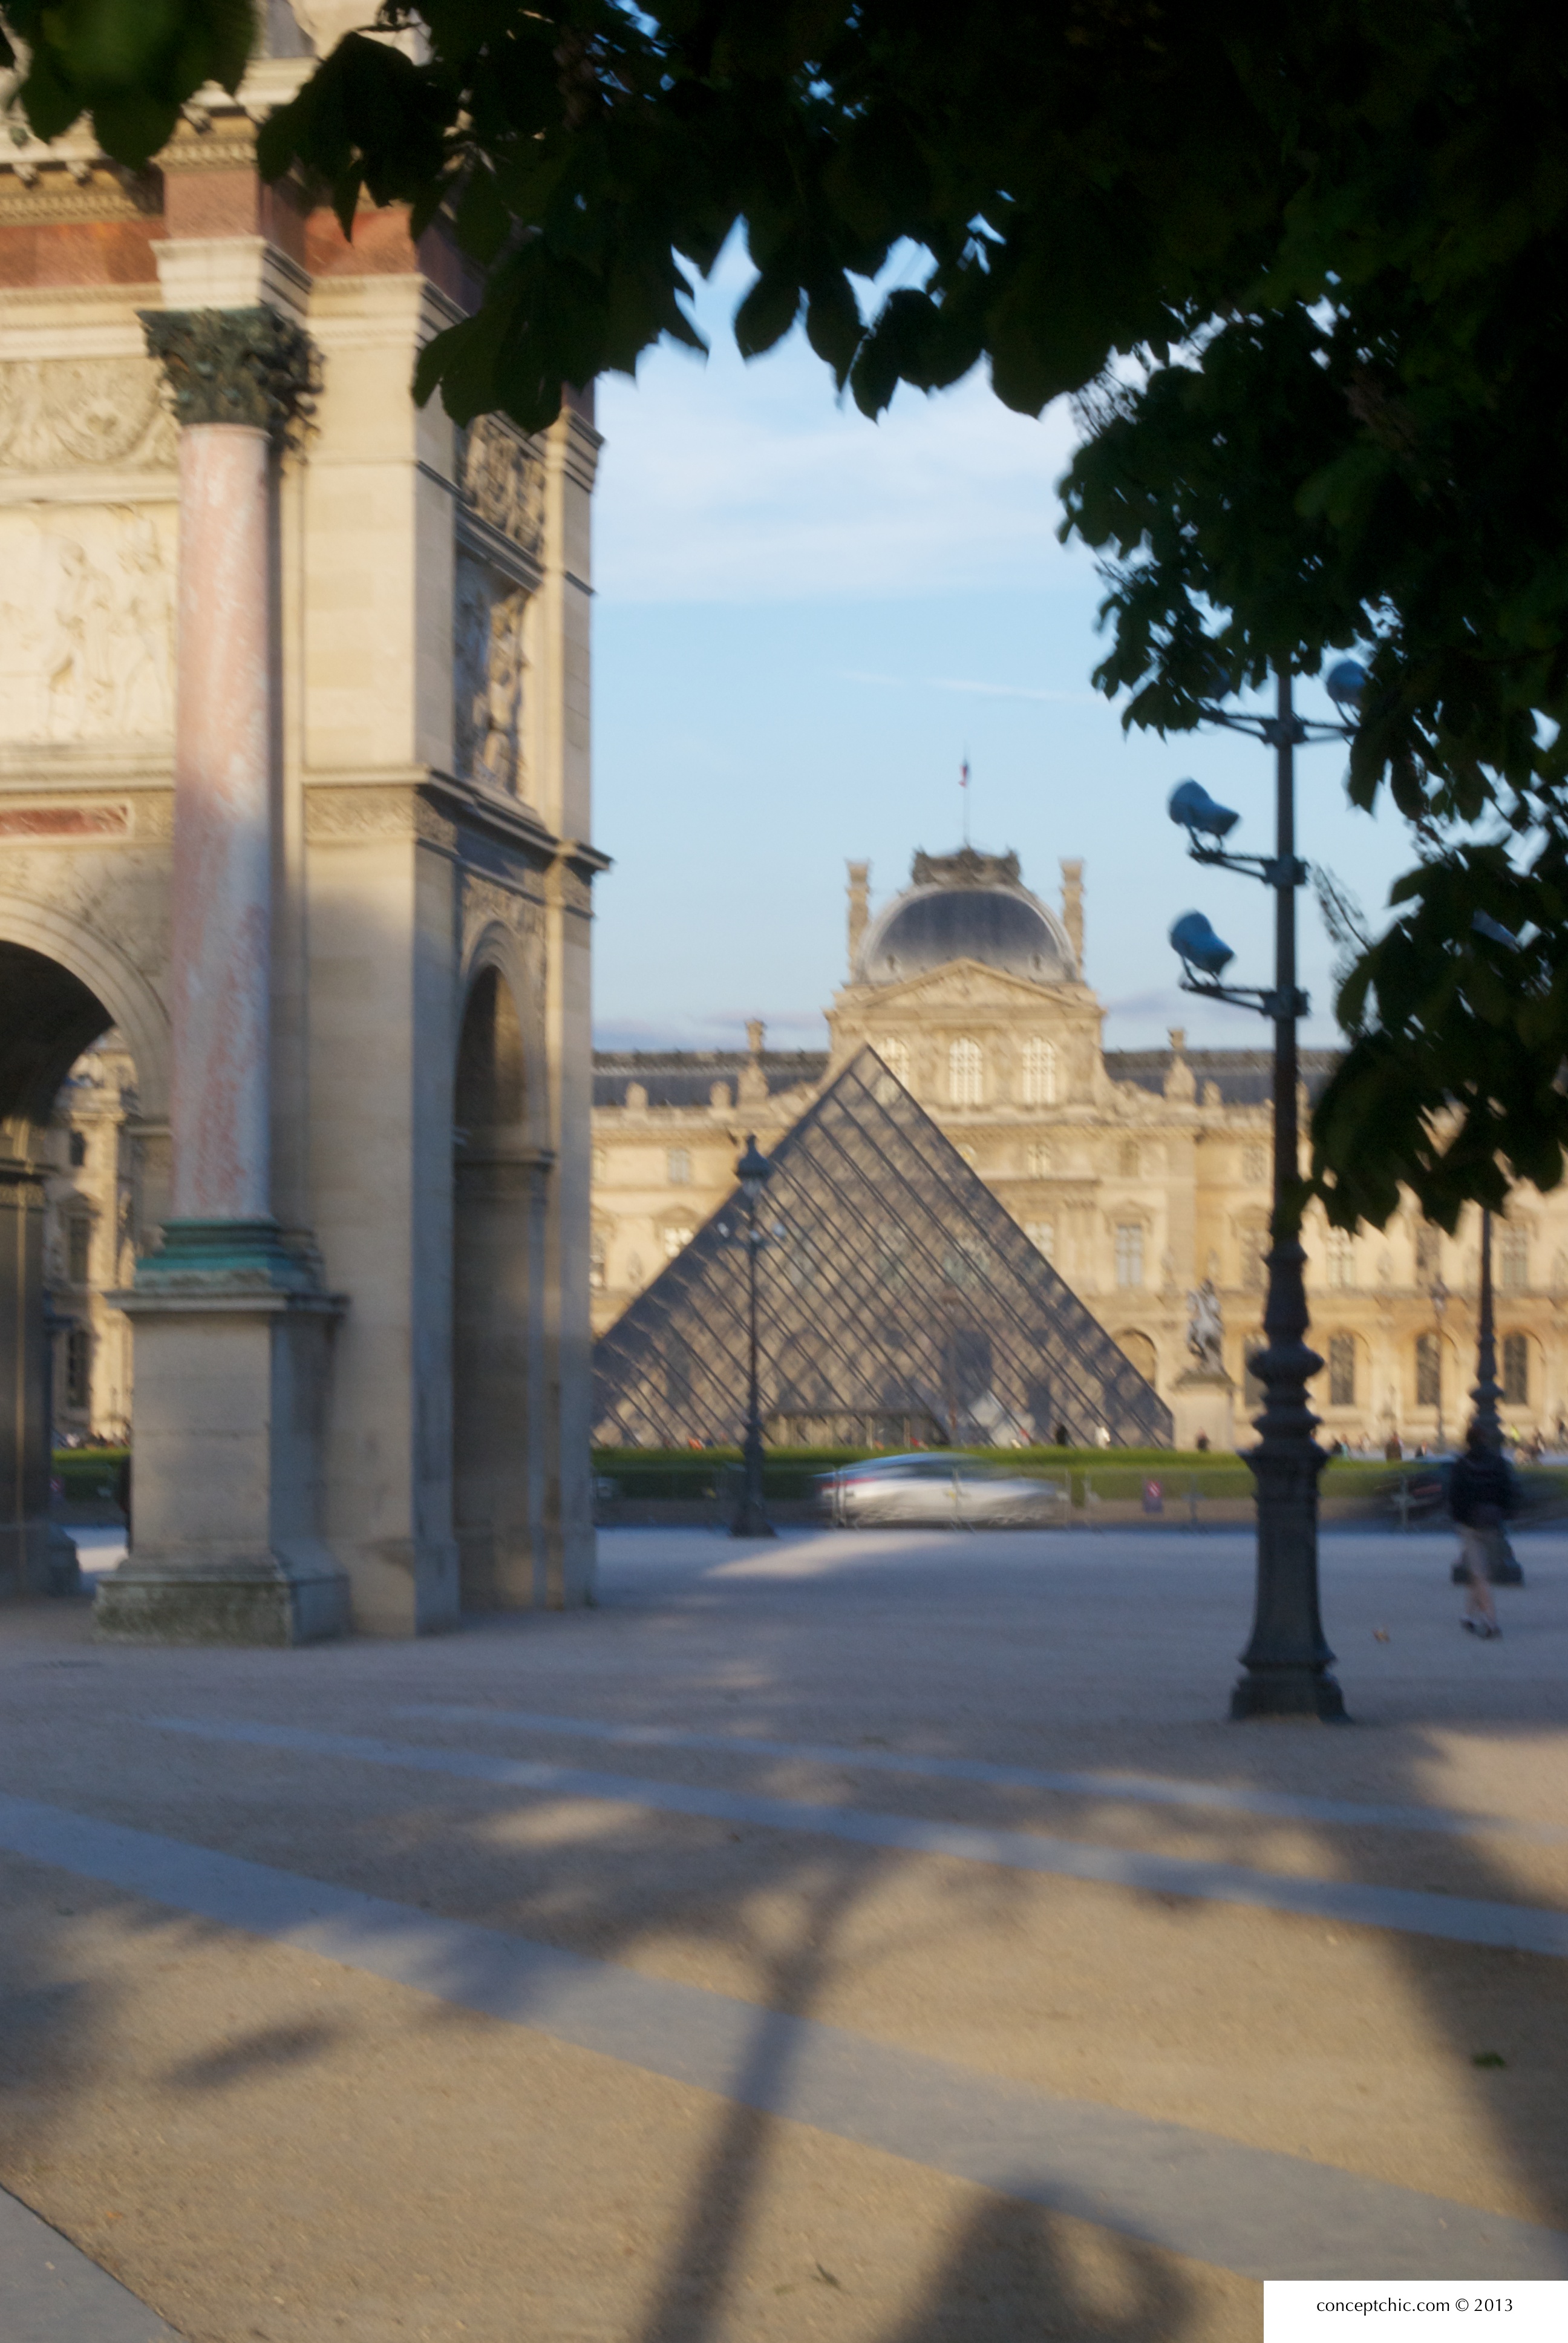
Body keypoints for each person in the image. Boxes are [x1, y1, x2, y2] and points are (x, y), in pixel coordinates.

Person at [1448, 1423, 1517, 1639]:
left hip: (1470, 1525)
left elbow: (1454, 1496)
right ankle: (1468, 1616)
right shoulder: (1498, 1462)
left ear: (1467, 1441)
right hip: (1493, 1523)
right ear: (1485, 1440)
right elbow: (1508, 1491)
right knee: (1480, 1573)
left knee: (1479, 1575)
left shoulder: (1462, 1464)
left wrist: (1460, 1518)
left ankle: (1491, 1623)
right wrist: (1503, 1513)